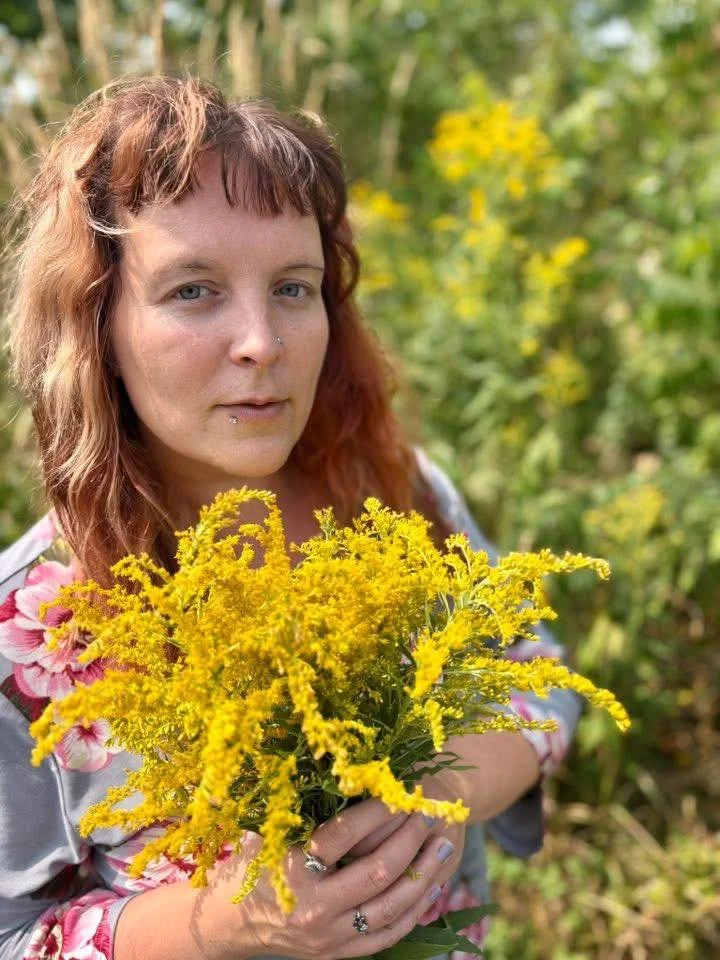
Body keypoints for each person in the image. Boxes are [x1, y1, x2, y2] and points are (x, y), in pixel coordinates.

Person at [0, 75, 581, 960]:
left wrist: (446, 782)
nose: (262, 344)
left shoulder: (396, 499)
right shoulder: (27, 632)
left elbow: (537, 676)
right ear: (95, 325)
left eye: (293, 287)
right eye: (193, 290)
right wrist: (227, 923)